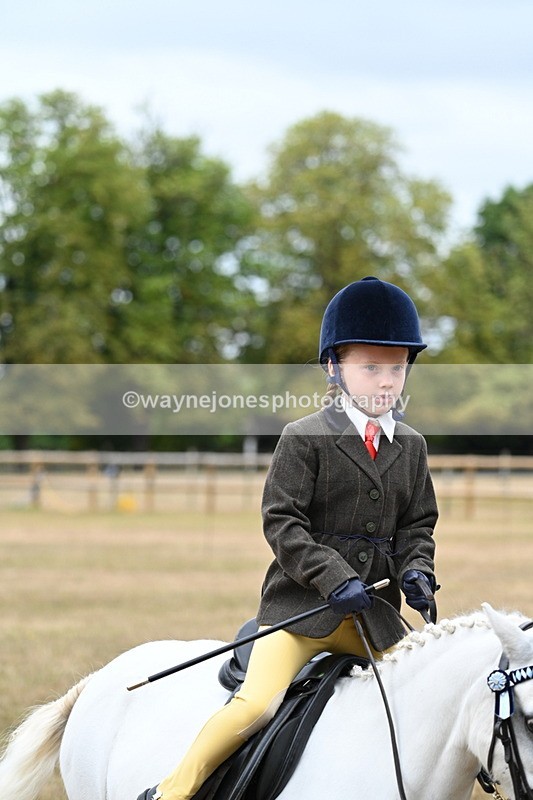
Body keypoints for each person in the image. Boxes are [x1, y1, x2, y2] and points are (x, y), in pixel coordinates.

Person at [138, 276, 439, 800]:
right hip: (303, 611)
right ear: (333, 366)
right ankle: (171, 791)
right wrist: (334, 576)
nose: (386, 381)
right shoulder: (303, 438)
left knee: (428, 698)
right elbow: (282, 522)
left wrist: (417, 571)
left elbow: (417, 525)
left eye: (396, 367)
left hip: (374, 615)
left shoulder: (411, 446)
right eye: (371, 367)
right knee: (257, 706)